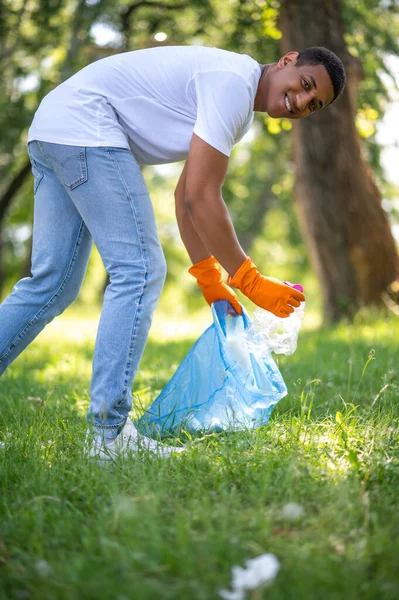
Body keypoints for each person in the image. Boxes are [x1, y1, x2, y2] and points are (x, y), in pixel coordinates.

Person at [0, 45, 346, 462]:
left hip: (54, 127)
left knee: (51, 284)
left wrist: (211, 280)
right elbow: (203, 197)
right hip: (85, 125)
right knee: (139, 271)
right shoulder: (235, 84)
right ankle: (109, 437)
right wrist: (248, 279)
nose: (303, 102)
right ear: (288, 60)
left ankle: (108, 434)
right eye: (306, 85)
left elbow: (186, 196)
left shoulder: (234, 99)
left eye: (314, 105)